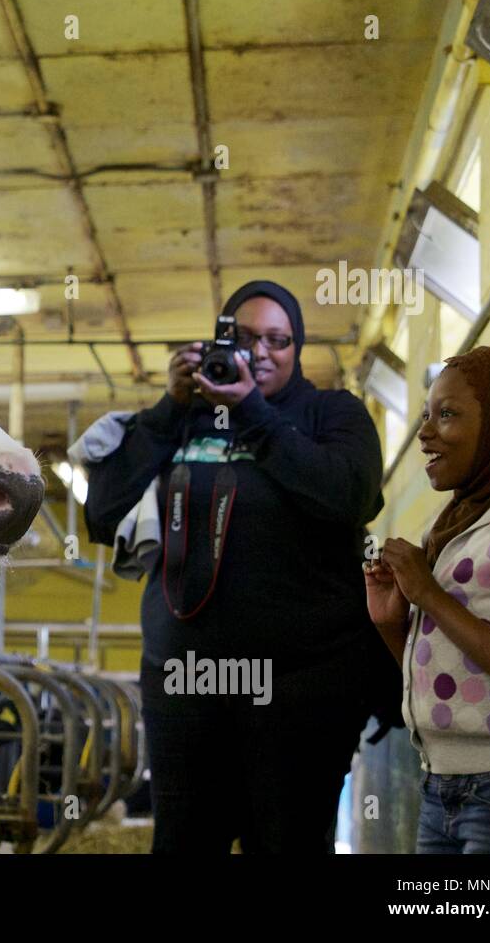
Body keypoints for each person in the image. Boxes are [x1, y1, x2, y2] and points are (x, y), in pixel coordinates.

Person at [84, 279, 395, 853]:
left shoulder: (331, 414)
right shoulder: (183, 419)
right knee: (183, 843)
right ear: (219, 339)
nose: (261, 352)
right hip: (186, 684)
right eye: (246, 337)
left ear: (297, 349)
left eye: (278, 340)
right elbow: (101, 517)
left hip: (302, 685)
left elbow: (349, 497)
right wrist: (167, 409)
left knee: (287, 843)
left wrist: (251, 411)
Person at [365, 346, 490, 853]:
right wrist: (393, 624)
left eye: (448, 414)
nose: (425, 432)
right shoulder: (458, 524)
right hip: (442, 783)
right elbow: (453, 679)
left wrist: (428, 594)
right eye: (424, 416)